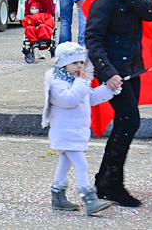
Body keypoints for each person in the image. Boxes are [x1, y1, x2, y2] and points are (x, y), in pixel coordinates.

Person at [84, 0, 152, 207]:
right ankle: (111, 182)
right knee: (129, 122)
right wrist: (107, 73)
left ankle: (106, 180)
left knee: (126, 123)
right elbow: (92, 37)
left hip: (130, 69)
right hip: (115, 71)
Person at [41, 42, 116, 215]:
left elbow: (90, 98)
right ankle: (89, 200)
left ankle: (58, 197)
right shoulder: (57, 83)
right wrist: (82, 83)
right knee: (81, 164)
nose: (80, 66)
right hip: (65, 133)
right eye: (75, 63)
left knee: (64, 165)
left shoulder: (76, 81)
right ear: (63, 63)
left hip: (74, 133)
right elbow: (69, 99)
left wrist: (109, 89)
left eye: (81, 63)